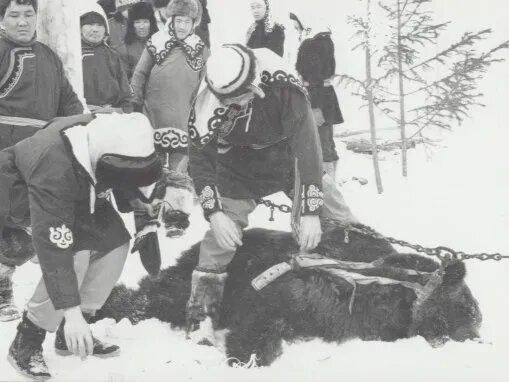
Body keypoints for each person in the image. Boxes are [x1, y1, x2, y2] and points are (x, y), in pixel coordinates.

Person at [186, 44, 359, 346]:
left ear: (255, 86)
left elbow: (308, 149)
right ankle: (201, 314)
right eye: (224, 101)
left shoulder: (285, 87)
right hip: (235, 167)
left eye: (238, 98)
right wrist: (215, 214)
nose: (230, 105)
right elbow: (200, 163)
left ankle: (367, 269)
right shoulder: (204, 105)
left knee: (338, 214)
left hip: (286, 158)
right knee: (219, 240)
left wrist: (310, 212)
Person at [2, 112, 164, 380]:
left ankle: (73, 332)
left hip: (80, 188)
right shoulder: (52, 165)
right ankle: (27, 340)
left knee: (115, 243)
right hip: (18, 191)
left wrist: (140, 207)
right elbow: (55, 248)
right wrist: (70, 308)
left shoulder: (114, 132)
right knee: (73, 251)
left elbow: (126, 173)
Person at [0, 0, 83, 322]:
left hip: (39, 156)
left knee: (36, 227)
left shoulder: (49, 57)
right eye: (14, 15)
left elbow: (69, 103)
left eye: (29, 14)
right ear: (2, 19)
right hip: (3, 153)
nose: (23, 22)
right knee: (8, 223)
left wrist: (84, 124)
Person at [131, 0, 209, 172]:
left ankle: (176, 197)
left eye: (187, 21)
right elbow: (139, 74)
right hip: (154, 116)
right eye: (179, 21)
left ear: (193, 23)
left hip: (184, 120)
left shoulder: (200, 48)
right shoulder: (156, 42)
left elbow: (206, 82)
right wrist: (134, 103)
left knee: (178, 173)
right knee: (152, 171)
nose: (182, 26)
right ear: (171, 20)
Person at [291, 13, 344, 179]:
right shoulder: (325, 40)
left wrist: (315, 108)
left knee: (321, 144)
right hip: (326, 97)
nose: (296, 31)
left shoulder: (310, 44)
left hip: (317, 100)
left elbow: (315, 79)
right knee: (328, 142)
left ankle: (327, 187)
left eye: (297, 27)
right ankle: (332, 182)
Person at [80, 4, 133, 113]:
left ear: (105, 29)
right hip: (83, 113)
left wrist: (127, 112)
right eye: (89, 24)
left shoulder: (112, 55)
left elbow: (125, 92)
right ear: (80, 28)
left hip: (111, 114)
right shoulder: (74, 54)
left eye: (99, 25)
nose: (95, 29)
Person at [118, 1, 158, 80]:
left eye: (145, 22)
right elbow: (123, 79)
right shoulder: (124, 48)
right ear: (132, 25)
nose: (141, 26)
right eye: (137, 22)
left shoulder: (159, 43)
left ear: (151, 23)